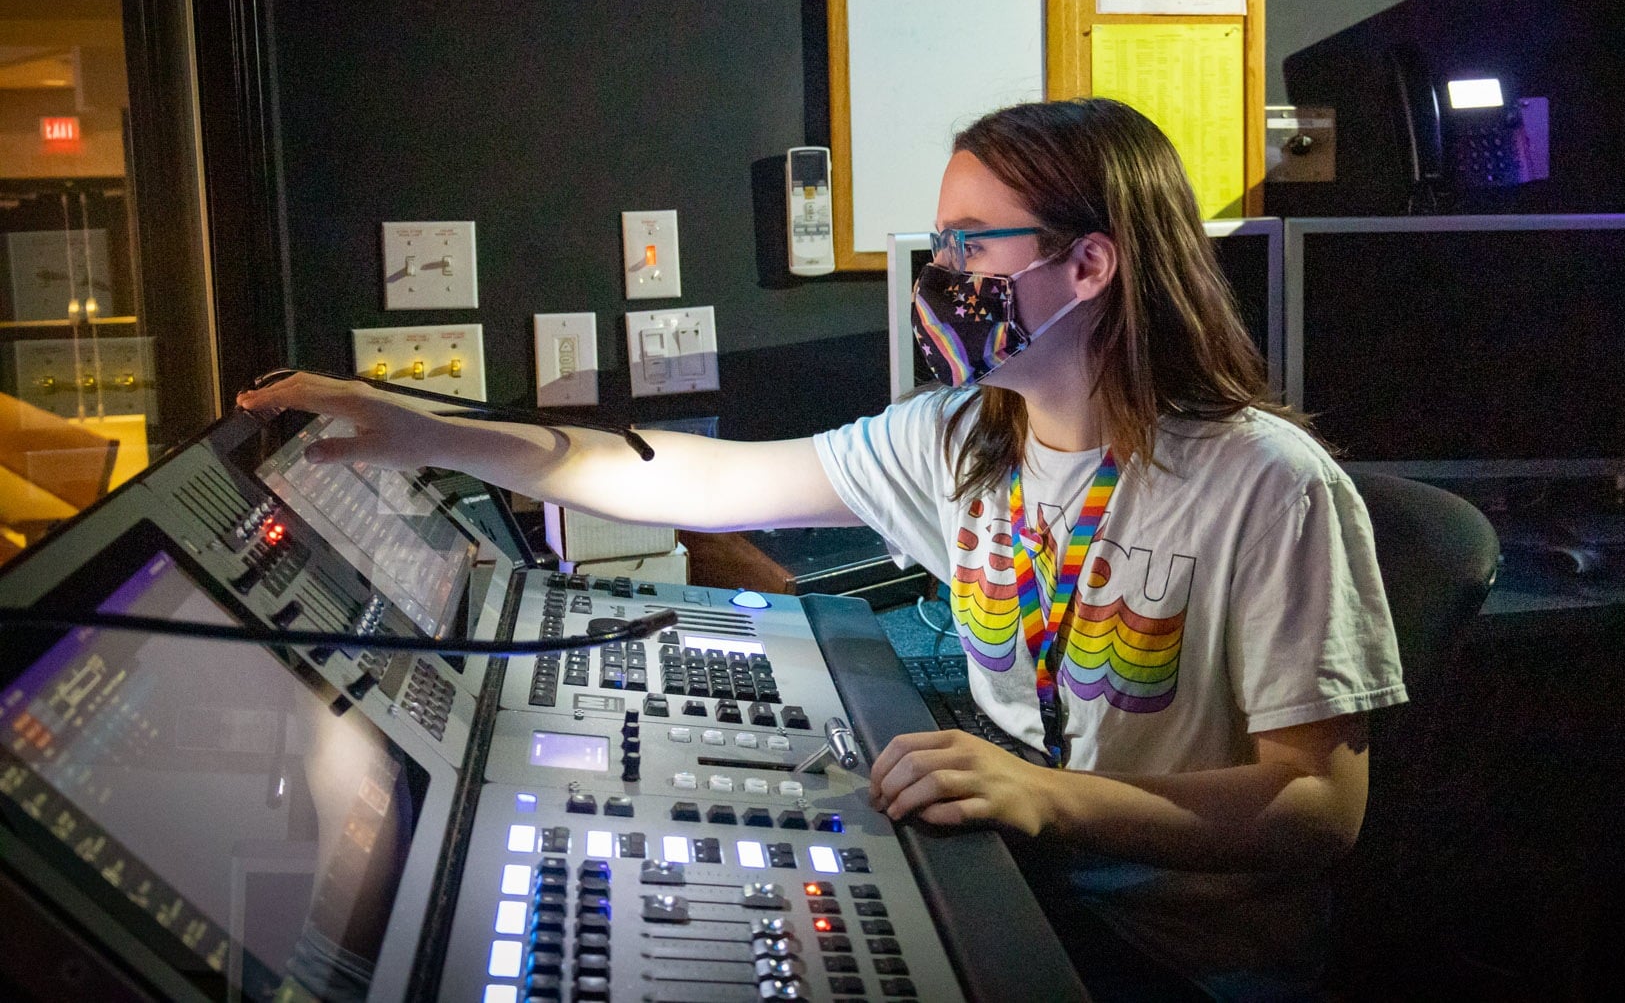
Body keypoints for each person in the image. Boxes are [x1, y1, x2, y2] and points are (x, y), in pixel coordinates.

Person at [238, 96, 1405, 999]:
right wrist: (431, 433)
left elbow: (1317, 807)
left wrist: (1050, 799)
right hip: (1018, 883)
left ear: (1089, 265)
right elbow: (695, 474)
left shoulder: (1267, 484)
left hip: (1173, 956)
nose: (941, 275)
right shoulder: (958, 438)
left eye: (970, 243)